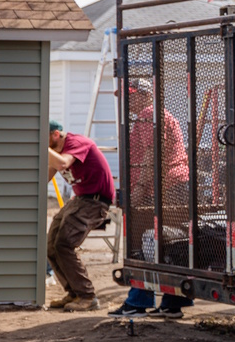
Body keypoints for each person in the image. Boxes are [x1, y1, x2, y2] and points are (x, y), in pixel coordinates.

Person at [109, 79, 194, 318]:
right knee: (172, 246)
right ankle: (171, 303)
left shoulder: (149, 114)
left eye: (131, 95)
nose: (127, 100)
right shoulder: (155, 114)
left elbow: (151, 153)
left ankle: (139, 302)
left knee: (140, 243)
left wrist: (140, 188)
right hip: (170, 186)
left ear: (146, 95)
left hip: (164, 188)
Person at [46, 119, 115, 312]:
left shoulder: (76, 142)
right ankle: (74, 292)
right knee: (51, 244)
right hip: (81, 199)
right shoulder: (57, 150)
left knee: (64, 244)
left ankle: (87, 296)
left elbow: (62, 163)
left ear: (55, 135)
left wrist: (40, 146)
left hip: (95, 201)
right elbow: (46, 175)